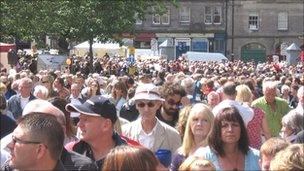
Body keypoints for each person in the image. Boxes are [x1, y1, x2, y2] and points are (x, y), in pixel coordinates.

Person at [65, 95, 127, 170]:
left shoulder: (132, 155)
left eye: (85, 119)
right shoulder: (70, 151)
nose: (79, 124)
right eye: (80, 119)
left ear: (106, 125)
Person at [194, 106, 260, 171]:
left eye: (234, 125)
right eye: (224, 126)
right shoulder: (203, 156)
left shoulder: (256, 157)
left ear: (241, 129)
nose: (230, 129)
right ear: (217, 130)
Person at [122, 83, 181, 153]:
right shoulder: (125, 132)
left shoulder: (172, 135)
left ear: (158, 105)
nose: (146, 109)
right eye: (141, 104)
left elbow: (177, 162)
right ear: (136, 106)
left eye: (151, 104)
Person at [171, 103, 214, 171]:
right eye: (195, 119)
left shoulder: (216, 153)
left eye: (205, 120)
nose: (199, 124)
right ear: (189, 124)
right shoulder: (180, 153)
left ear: (211, 125)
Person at [235, 84, 271, 149]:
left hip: (240, 147)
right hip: (256, 146)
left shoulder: (235, 112)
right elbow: (267, 132)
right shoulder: (259, 112)